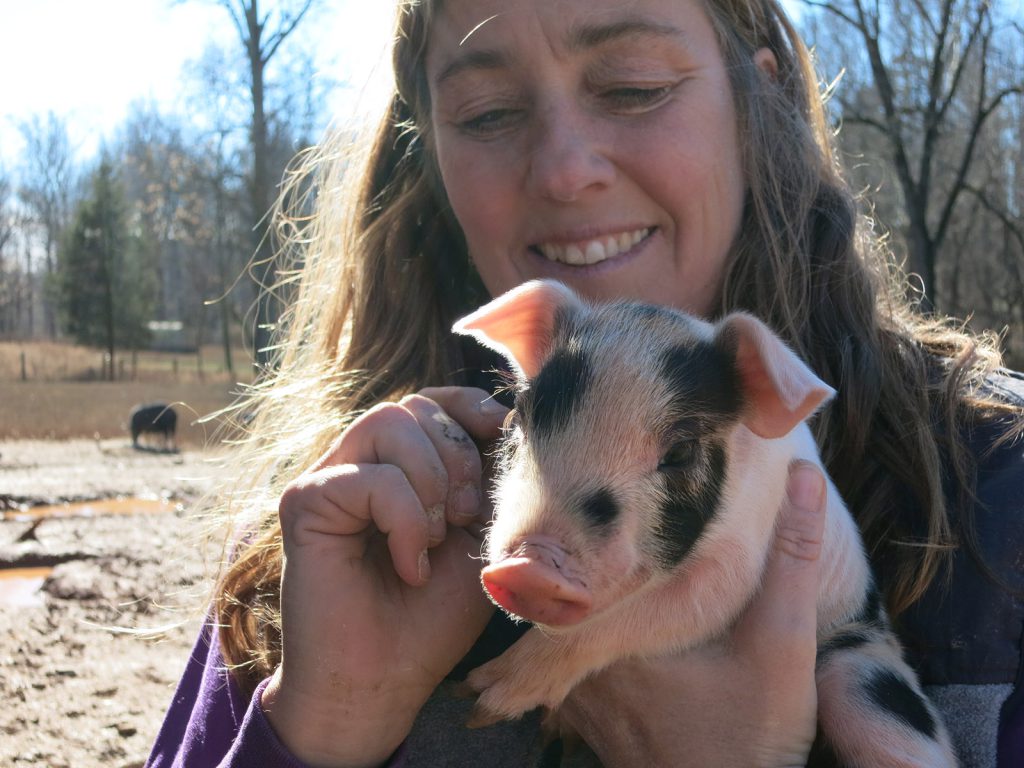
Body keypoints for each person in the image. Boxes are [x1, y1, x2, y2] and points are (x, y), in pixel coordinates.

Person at [146, 0, 1024, 766]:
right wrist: (327, 719)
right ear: (432, 153)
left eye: (635, 87)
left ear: (760, 104)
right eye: (488, 113)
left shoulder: (997, 494)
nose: (565, 171)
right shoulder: (333, 524)